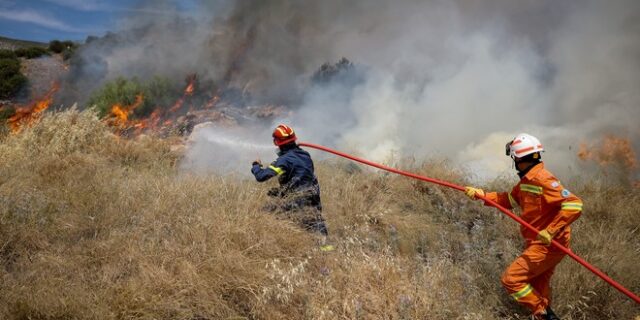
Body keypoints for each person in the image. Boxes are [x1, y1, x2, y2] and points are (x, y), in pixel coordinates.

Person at [464, 133, 583, 320]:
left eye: (515, 159)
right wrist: (482, 195)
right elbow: (509, 200)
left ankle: (544, 314)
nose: (515, 164)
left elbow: (575, 204)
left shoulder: (543, 179)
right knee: (538, 287)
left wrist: (550, 231)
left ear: (521, 160)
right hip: (537, 243)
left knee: (511, 280)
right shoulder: (526, 182)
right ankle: (543, 312)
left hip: (549, 245)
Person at [251, 124, 329, 238]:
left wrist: (256, 166)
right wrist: (281, 192)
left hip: (298, 198)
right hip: (313, 193)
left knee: (267, 214)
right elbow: (301, 176)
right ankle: (325, 248)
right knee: (315, 222)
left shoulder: (284, 161)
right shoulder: (305, 154)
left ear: (276, 143)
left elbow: (261, 176)